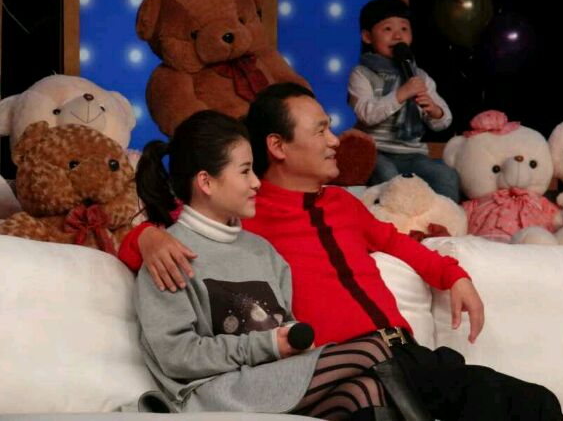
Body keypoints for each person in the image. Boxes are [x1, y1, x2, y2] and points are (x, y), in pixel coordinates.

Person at [121, 84, 563, 420]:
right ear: (277, 146)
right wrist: (145, 237)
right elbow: (183, 232)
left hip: (405, 355)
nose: (336, 140)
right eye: (320, 130)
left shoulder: (342, 205)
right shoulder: (244, 213)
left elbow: (397, 243)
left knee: (536, 403)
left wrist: (454, 274)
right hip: (344, 363)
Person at [133, 110, 413, 420]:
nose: (256, 183)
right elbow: (178, 355)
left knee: (362, 391)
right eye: (245, 171)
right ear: (206, 182)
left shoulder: (262, 250)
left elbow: (283, 324)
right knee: (374, 348)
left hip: (269, 380)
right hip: (213, 393)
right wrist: (267, 345)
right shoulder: (168, 255)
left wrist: (290, 342)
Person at [347, 0, 460, 202]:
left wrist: (434, 110)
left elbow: (443, 122)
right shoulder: (362, 74)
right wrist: (401, 94)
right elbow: (366, 115)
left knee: (446, 175)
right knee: (389, 176)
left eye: (404, 29)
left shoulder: (419, 76)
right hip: (376, 152)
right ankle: (390, 220)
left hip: (412, 154)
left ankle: (444, 219)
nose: (398, 35)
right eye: (388, 29)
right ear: (367, 36)